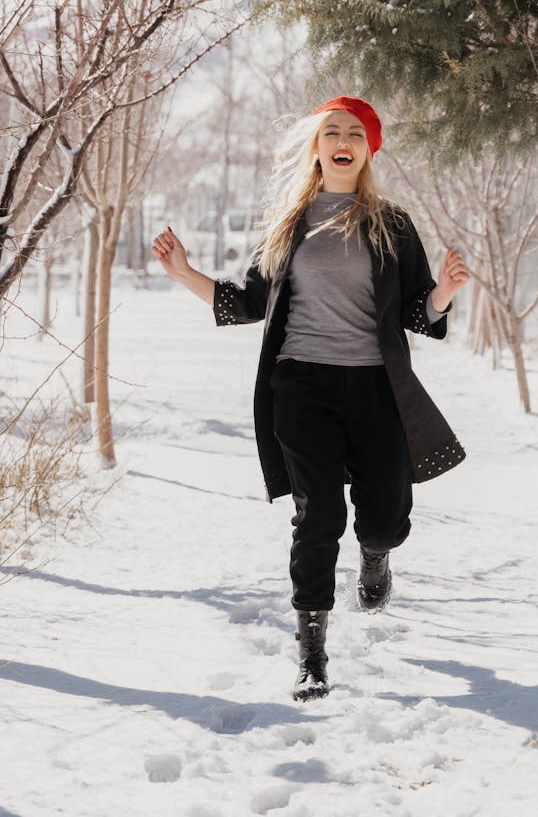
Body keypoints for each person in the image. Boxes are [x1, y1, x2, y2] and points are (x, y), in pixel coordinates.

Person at [151, 96, 469, 701]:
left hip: (376, 387)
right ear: (317, 146)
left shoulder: (392, 224)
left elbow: (416, 312)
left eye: (355, 132)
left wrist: (444, 293)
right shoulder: (286, 222)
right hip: (301, 387)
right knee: (319, 515)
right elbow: (249, 302)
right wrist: (184, 274)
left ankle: (376, 556)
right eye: (332, 131)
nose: (343, 139)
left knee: (383, 520)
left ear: (369, 147)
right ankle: (312, 655)